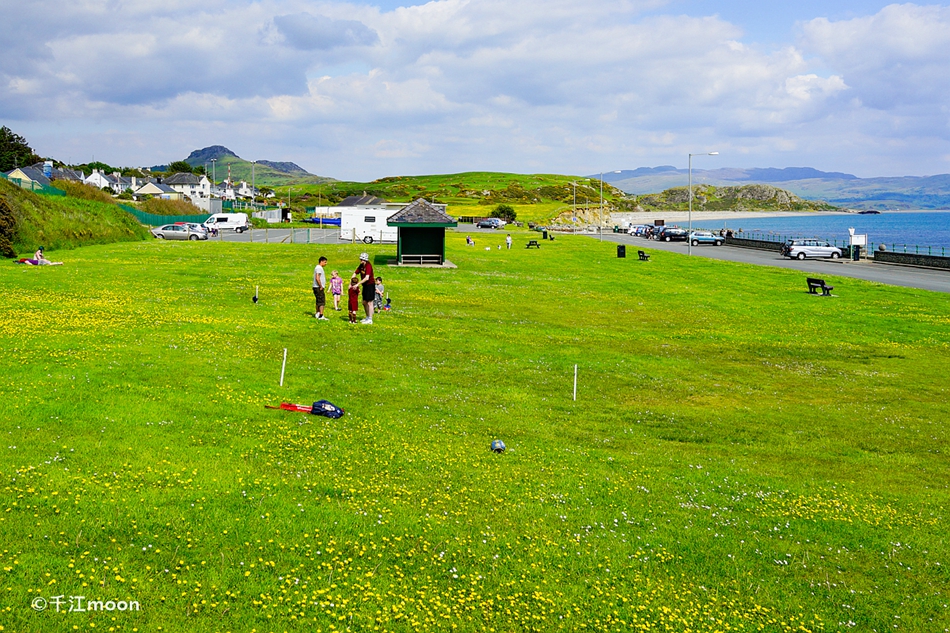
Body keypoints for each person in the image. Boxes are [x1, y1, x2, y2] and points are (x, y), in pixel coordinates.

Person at [355, 252, 375, 325]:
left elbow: (367, 278)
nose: (360, 261)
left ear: (365, 260)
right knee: (364, 302)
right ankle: (367, 317)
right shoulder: (361, 266)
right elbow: (355, 272)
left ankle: (370, 319)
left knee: (369, 302)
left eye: (362, 260)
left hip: (370, 285)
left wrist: (357, 284)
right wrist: (351, 281)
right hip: (365, 286)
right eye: (360, 259)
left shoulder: (368, 266)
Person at [313, 256, 328, 320]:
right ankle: (321, 315)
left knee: (318, 301)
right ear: (321, 261)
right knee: (322, 301)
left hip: (316, 287)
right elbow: (317, 277)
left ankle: (317, 313)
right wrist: (321, 286)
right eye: (325, 262)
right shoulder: (319, 268)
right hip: (318, 287)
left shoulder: (317, 267)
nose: (326, 263)